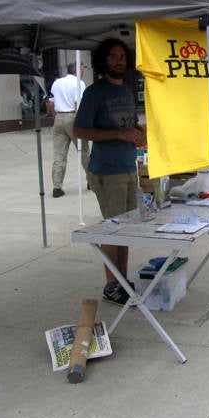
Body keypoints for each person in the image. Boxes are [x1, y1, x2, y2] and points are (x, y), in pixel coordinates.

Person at [74, 38, 145, 305]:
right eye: (113, 56)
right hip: (107, 170)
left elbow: (131, 124)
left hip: (128, 166)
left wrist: (138, 134)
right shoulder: (95, 93)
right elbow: (79, 131)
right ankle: (110, 285)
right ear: (103, 61)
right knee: (112, 229)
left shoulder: (126, 90)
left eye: (123, 57)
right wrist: (117, 133)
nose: (119, 61)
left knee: (126, 229)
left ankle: (121, 280)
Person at [48, 63, 90, 198]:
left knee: (59, 155)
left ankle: (57, 186)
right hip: (73, 116)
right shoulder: (79, 83)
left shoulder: (57, 83)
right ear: (77, 71)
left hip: (59, 117)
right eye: (82, 70)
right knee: (83, 151)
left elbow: (51, 103)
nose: (83, 72)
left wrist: (56, 116)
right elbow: (81, 104)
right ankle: (91, 180)